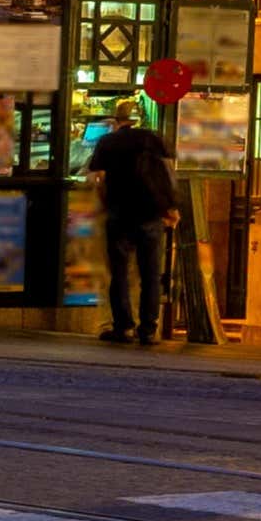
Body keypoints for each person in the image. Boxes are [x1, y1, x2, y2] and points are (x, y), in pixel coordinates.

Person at [85, 99, 178, 343]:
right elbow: (168, 173)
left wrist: (104, 202)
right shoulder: (153, 138)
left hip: (119, 214)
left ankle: (123, 327)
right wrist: (170, 207)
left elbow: (97, 178)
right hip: (150, 214)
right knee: (151, 274)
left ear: (117, 120)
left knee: (120, 273)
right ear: (139, 119)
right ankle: (149, 329)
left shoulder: (108, 142)